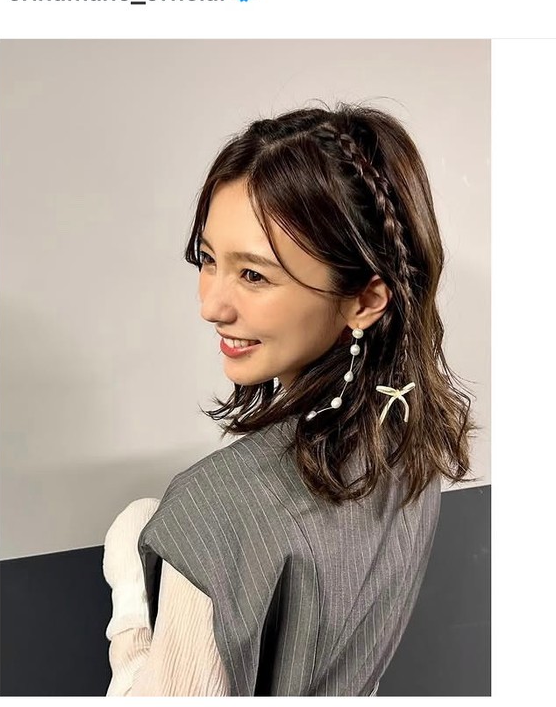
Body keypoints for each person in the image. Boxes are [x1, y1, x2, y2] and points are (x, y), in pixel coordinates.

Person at [102, 103, 474, 696]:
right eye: (208, 260)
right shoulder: (409, 441)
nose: (211, 305)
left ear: (364, 300)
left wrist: (130, 598)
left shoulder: (215, 513)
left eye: (254, 275)